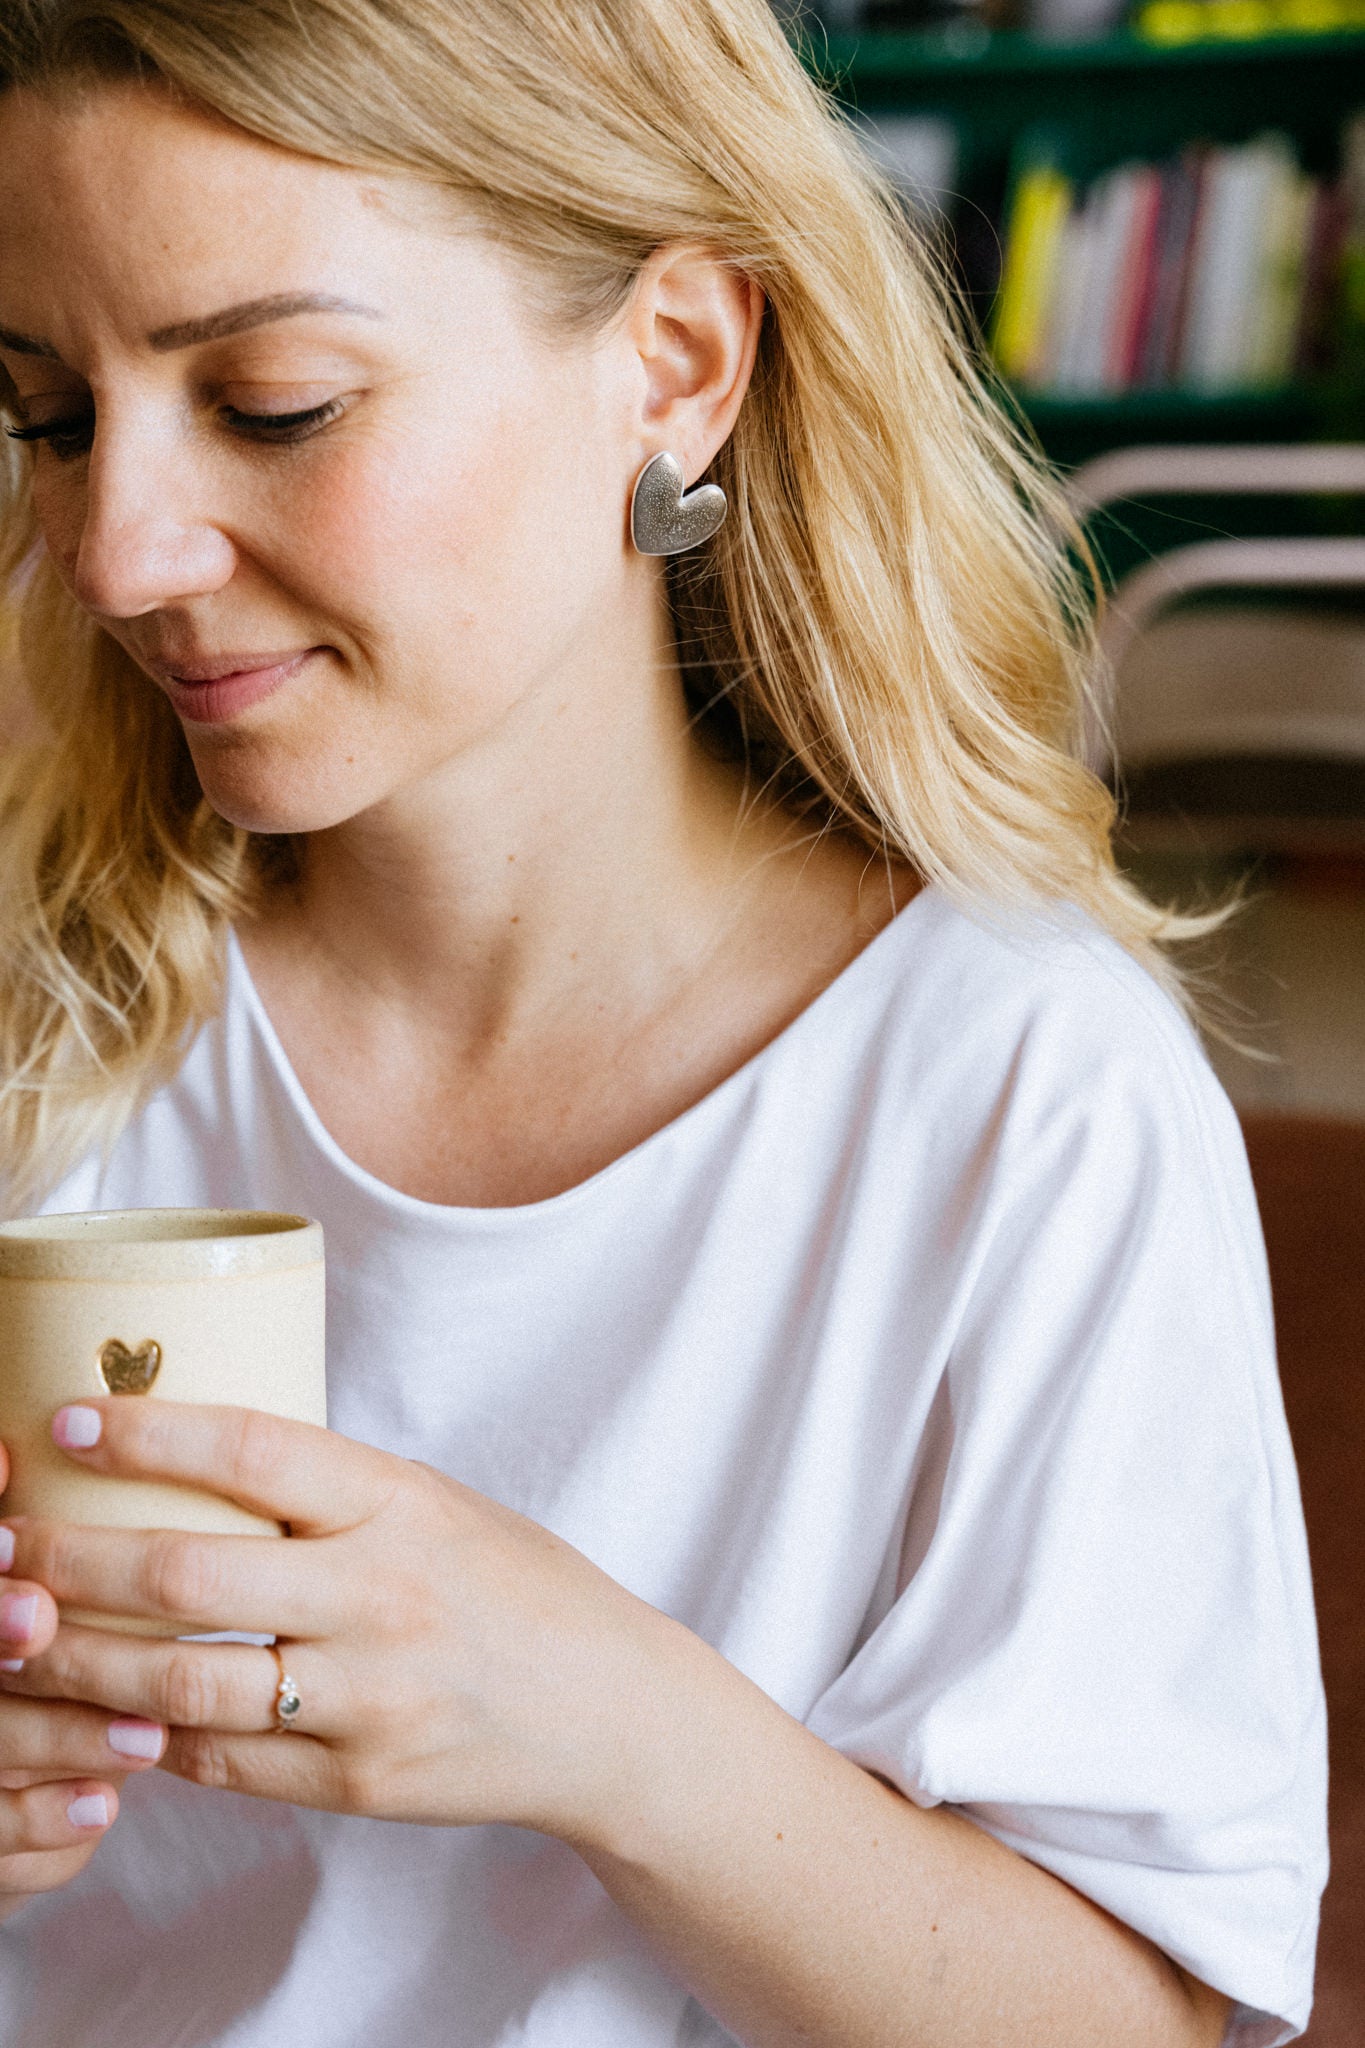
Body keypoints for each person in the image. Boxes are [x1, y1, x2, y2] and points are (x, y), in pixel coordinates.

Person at [0, 1, 1327, 2043]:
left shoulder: (1009, 1092)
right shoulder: (49, 1030)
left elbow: (1138, 2021)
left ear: (675, 366)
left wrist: (608, 1720)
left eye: (272, 403)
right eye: (51, 414)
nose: (117, 550)